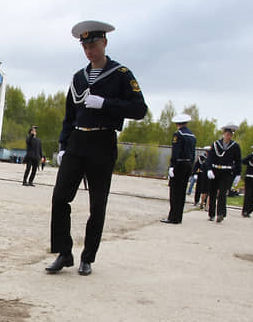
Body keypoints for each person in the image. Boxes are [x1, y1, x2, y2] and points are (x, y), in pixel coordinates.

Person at [47, 20, 148, 276]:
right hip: (77, 142)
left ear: (104, 42)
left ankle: (87, 257)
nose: (89, 50)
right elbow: (69, 116)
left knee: (97, 205)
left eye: (93, 44)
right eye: (85, 46)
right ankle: (64, 252)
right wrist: (62, 144)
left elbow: (139, 109)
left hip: (102, 143)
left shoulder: (121, 74)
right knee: (60, 198)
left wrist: (106, 104)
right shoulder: (78, 78)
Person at [161, 114, 196, 224]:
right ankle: (178, 217)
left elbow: (175, 152)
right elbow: (193, 153)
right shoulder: (192, 136)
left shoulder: (178, 134)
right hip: (188, 164)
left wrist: (172, 166)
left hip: (179, 164)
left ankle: (173, 217)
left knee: (175, 192)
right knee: (182, 192)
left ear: (177, 124)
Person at [206, 123, 242, 223]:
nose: (229, 136)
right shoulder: (216, 144)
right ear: (223, 134)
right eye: (227, 134)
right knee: (212, 192)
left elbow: (238, 161)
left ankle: (220, 213)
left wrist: (238, 174)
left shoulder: (235, 147)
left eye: (231, 134)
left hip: (226, 172)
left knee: (222, 193)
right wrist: (209, 169)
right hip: (215, 170)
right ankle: (211, 213)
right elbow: (210, 158)